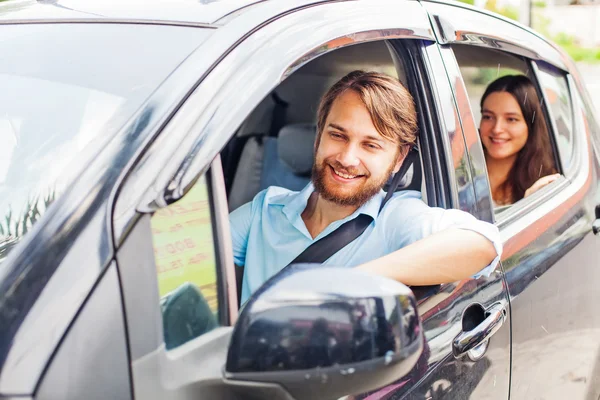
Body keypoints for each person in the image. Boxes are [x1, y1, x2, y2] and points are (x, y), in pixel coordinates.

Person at [230, 70, 502, 304]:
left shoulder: (396, 218)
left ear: (398, 159)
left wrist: (353, 281)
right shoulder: (265, 209)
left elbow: (483, 244)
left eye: (370, 145)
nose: (347, 159)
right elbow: (193, 256)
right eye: (337, 135)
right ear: (318, 137)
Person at [479, 75, 559, 206]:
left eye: (511, 119)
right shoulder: (459, 163)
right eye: (488, 117)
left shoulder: (544, 180)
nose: (497, 129)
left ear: (531, 125)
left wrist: (530, 202)